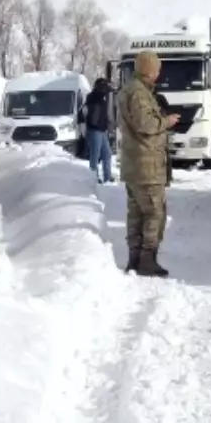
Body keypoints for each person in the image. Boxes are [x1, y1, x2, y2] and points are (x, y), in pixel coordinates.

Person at [117, 50, 181, 277]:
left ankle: (135, 258)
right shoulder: (139, 93)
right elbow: (145, 124)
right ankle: (146, 260)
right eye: (157, 68)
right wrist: (168, 121)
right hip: (146, 166)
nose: (159, 73)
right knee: (154, 213)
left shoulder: (133, 89)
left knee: (136, 214)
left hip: (137, 164)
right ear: (149, 69)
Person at [83, 78, 114, 184]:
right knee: (95, 155)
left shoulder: (102, 98)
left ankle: (107, 177)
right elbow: (93, 110)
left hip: (102, 130)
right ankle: (93, 177)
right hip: (94, 130)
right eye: (104, 87)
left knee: (107, 154)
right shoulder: (93, 97)